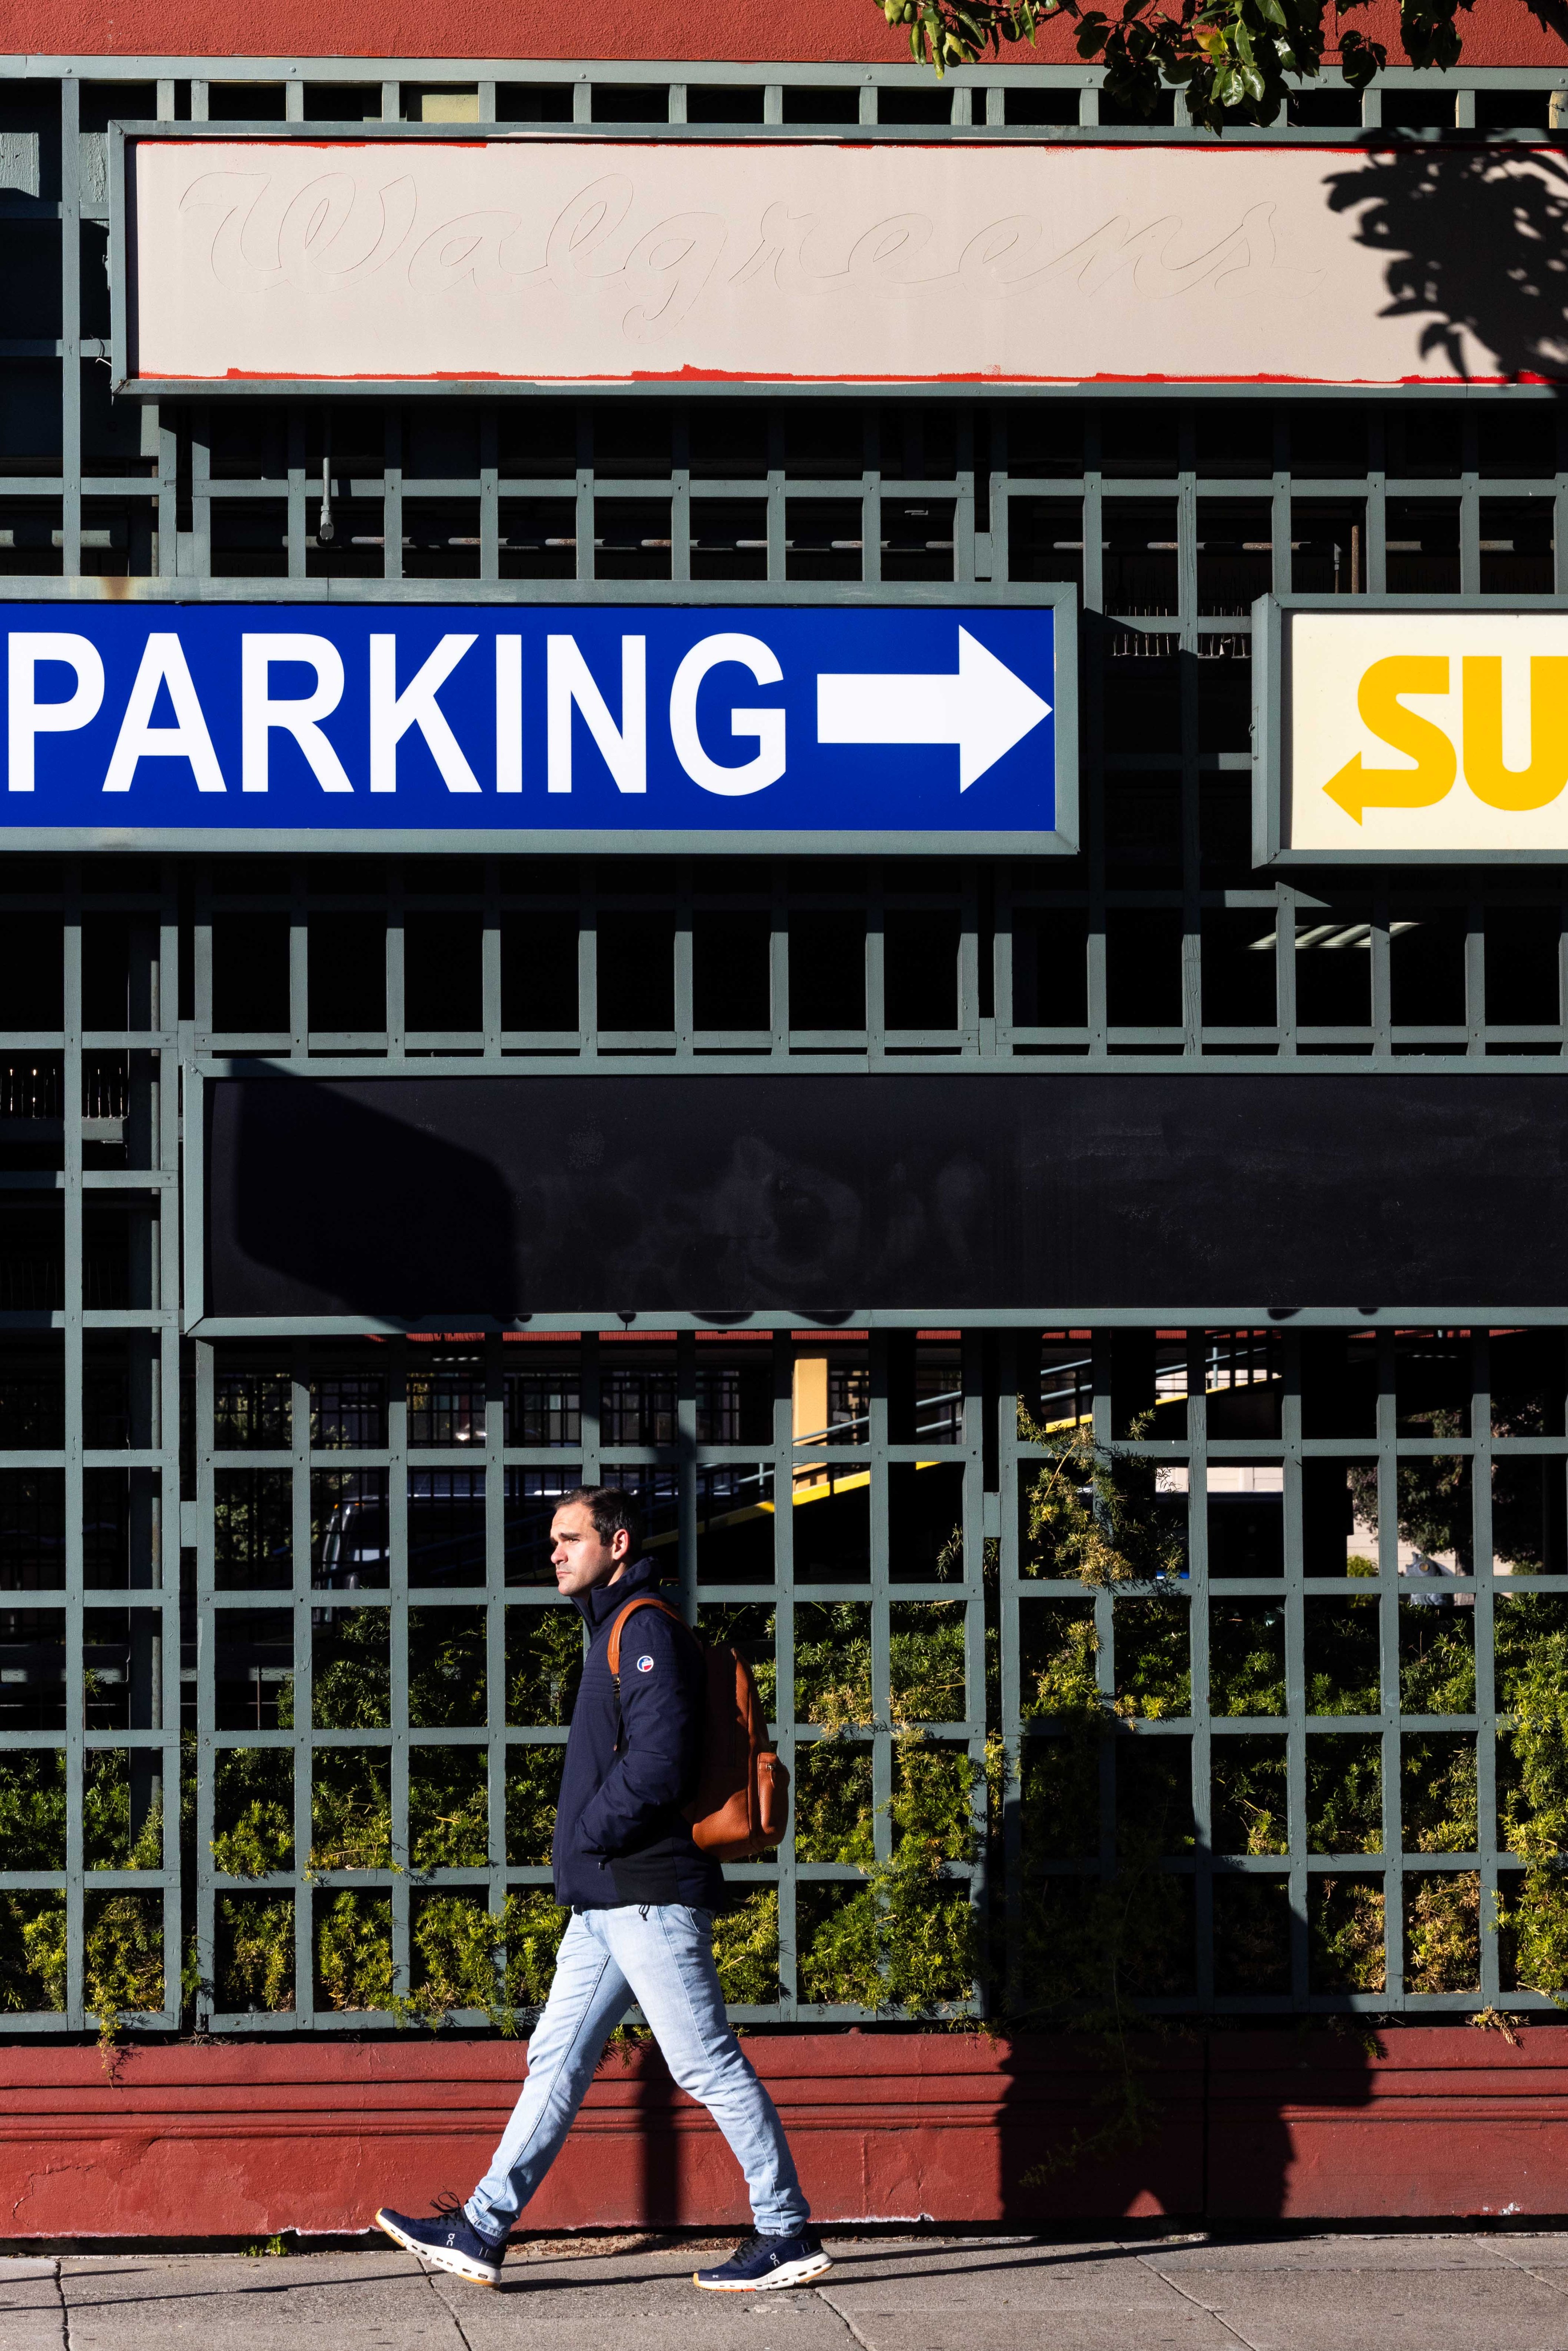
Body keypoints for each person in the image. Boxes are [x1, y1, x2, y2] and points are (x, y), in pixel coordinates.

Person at [375, 1485, 827, 2294]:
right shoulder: (613, 1628)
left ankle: (785, 2229)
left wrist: (587, 1831)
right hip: (608, 1896)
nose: (554, 1550)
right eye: (552, 1538)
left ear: (617, 1544)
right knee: (556, 2059)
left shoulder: (643, 1625)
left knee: (704, 2062)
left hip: (644, 1888)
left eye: (570, 1537)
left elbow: (659, 1764)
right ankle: (481, 2226)